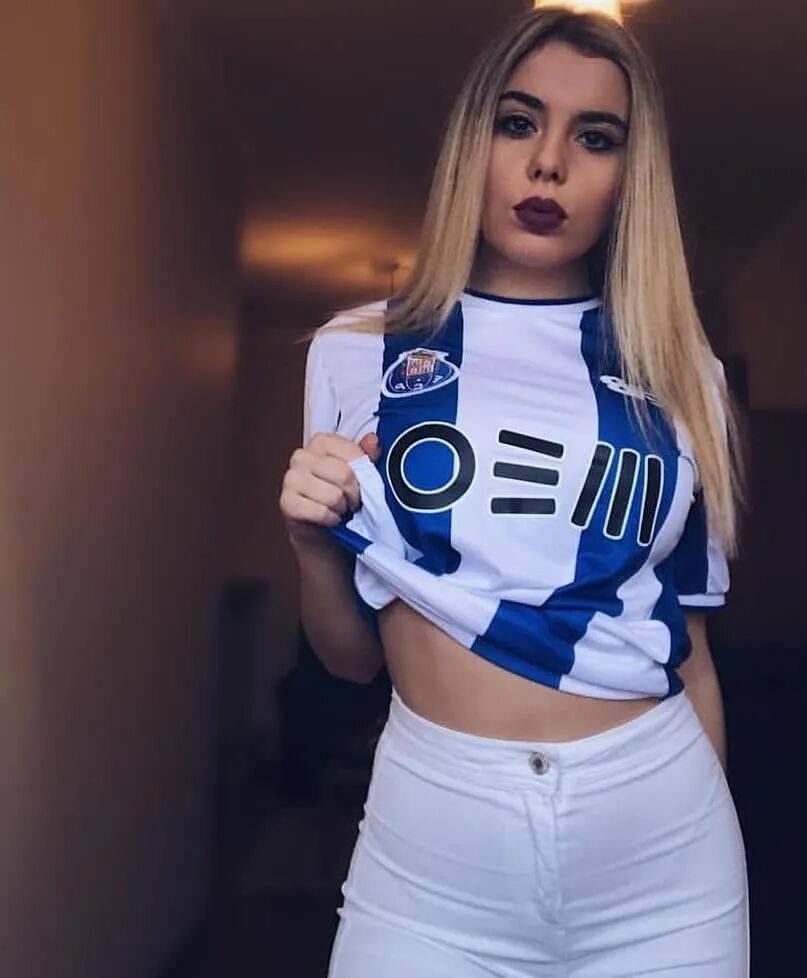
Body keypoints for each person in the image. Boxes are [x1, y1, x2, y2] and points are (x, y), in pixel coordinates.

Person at [279, 6, 750, 976]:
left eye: (596, 138)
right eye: (519, 121)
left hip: (663, 850)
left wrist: (710, 810)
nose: (549, 164)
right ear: (473, 144)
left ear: (629, 176)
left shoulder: (681, 374)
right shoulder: (357, 351)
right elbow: (351, 661)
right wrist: (307, 542)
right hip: (433, 858)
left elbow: (691, 650)